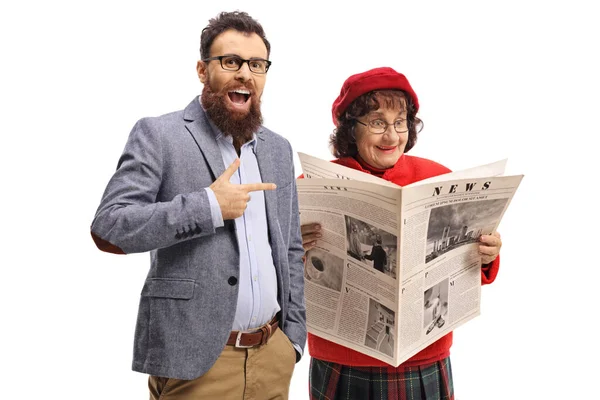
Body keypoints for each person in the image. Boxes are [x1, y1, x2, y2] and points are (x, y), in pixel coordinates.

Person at [90, 11, 306, 399]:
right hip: (198, 363)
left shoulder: (278, 148)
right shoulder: (159, 134)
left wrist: (293, 339)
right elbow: (109, 226)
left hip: (273, 355)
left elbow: (288, 247)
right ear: (202, 70)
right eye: (231, 61)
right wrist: (207, 206)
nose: (245, 74)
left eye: (256, 64)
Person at [301, 67, 502, 399]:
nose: (392, 136)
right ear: (351, 129)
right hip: (343, 362)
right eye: (378, 122)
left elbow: (465, 272)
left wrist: (487, 254)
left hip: (423, 359)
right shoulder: (314, 185)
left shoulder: (439, 179)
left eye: (401, 122)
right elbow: (280, 273)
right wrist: (294, 246)